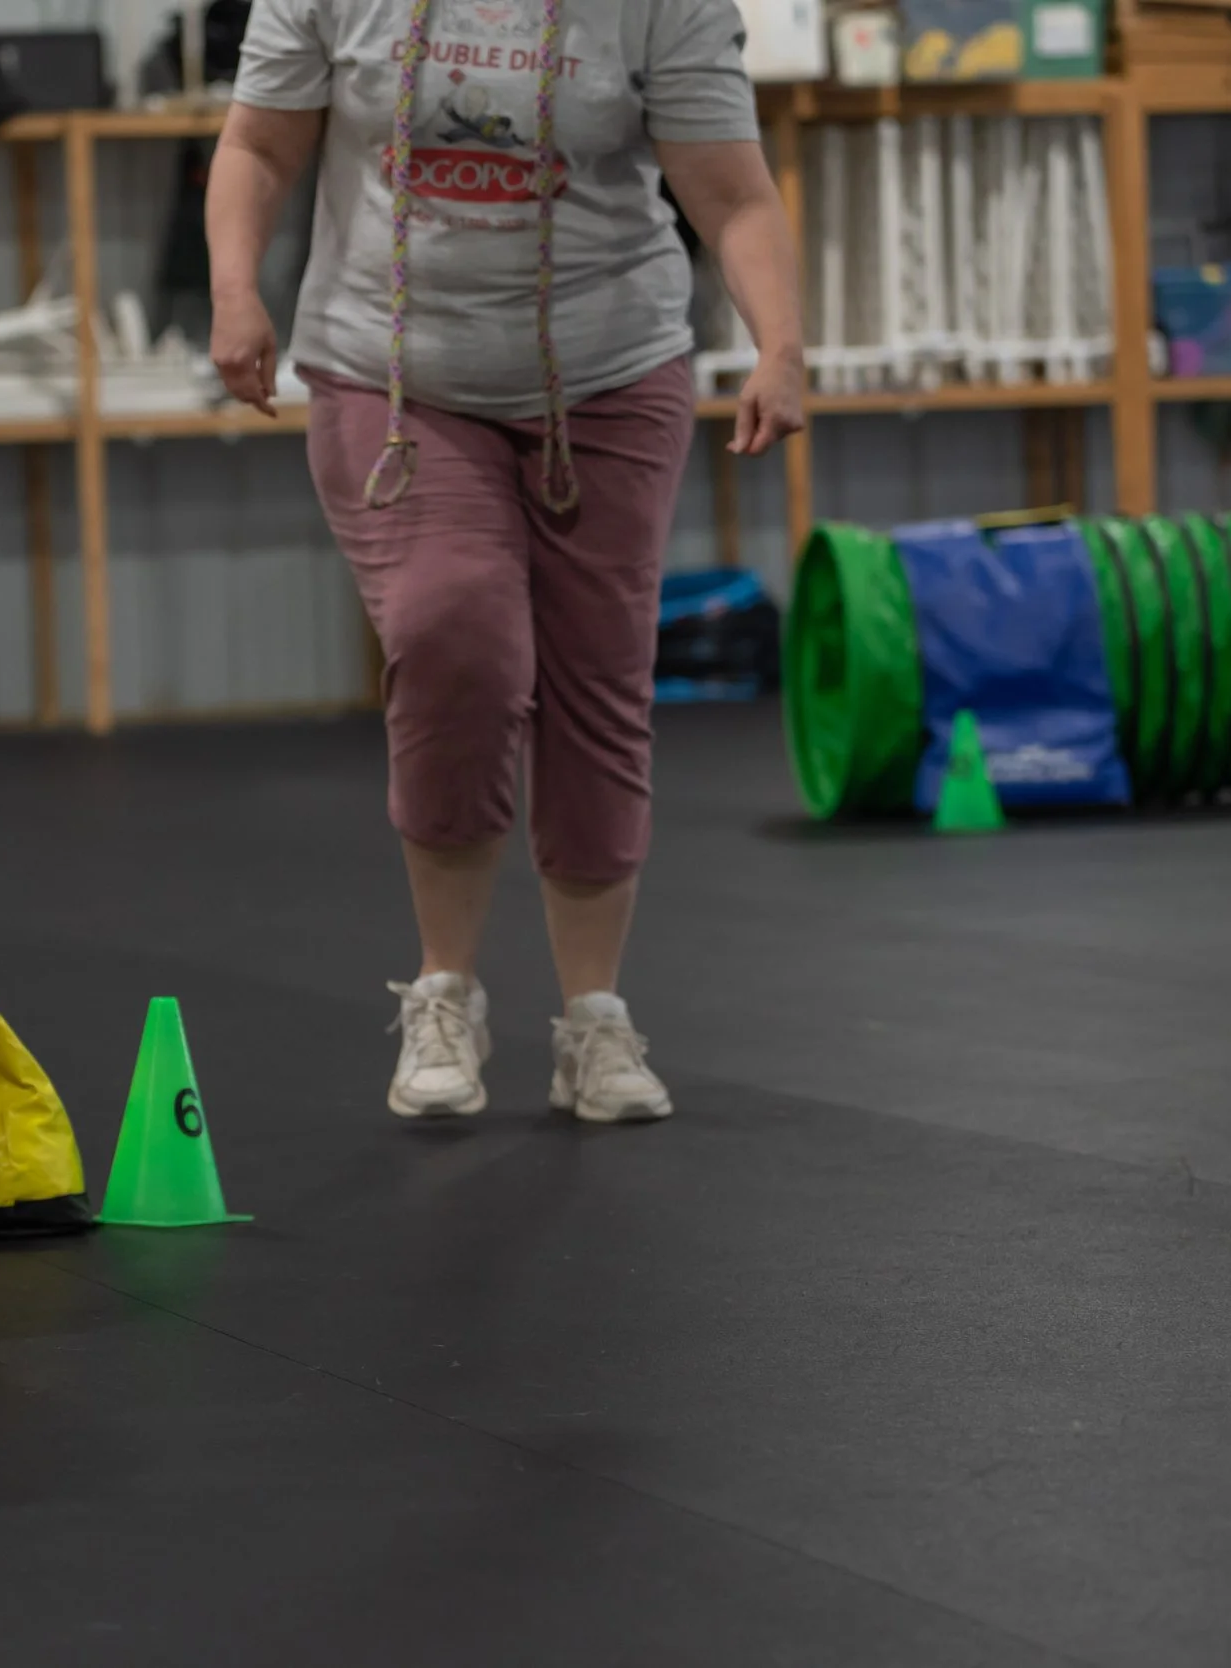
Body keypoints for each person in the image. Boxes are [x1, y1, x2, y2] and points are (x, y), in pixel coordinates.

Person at [205, 0, 803, 1123]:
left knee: (598, 676)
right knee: (454, 634)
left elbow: (730, 193)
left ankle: (595, 1022)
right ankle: (445, 992)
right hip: (393, 376)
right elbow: (259, 144)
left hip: (611, 374)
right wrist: (236, 292)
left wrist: (780, 344)